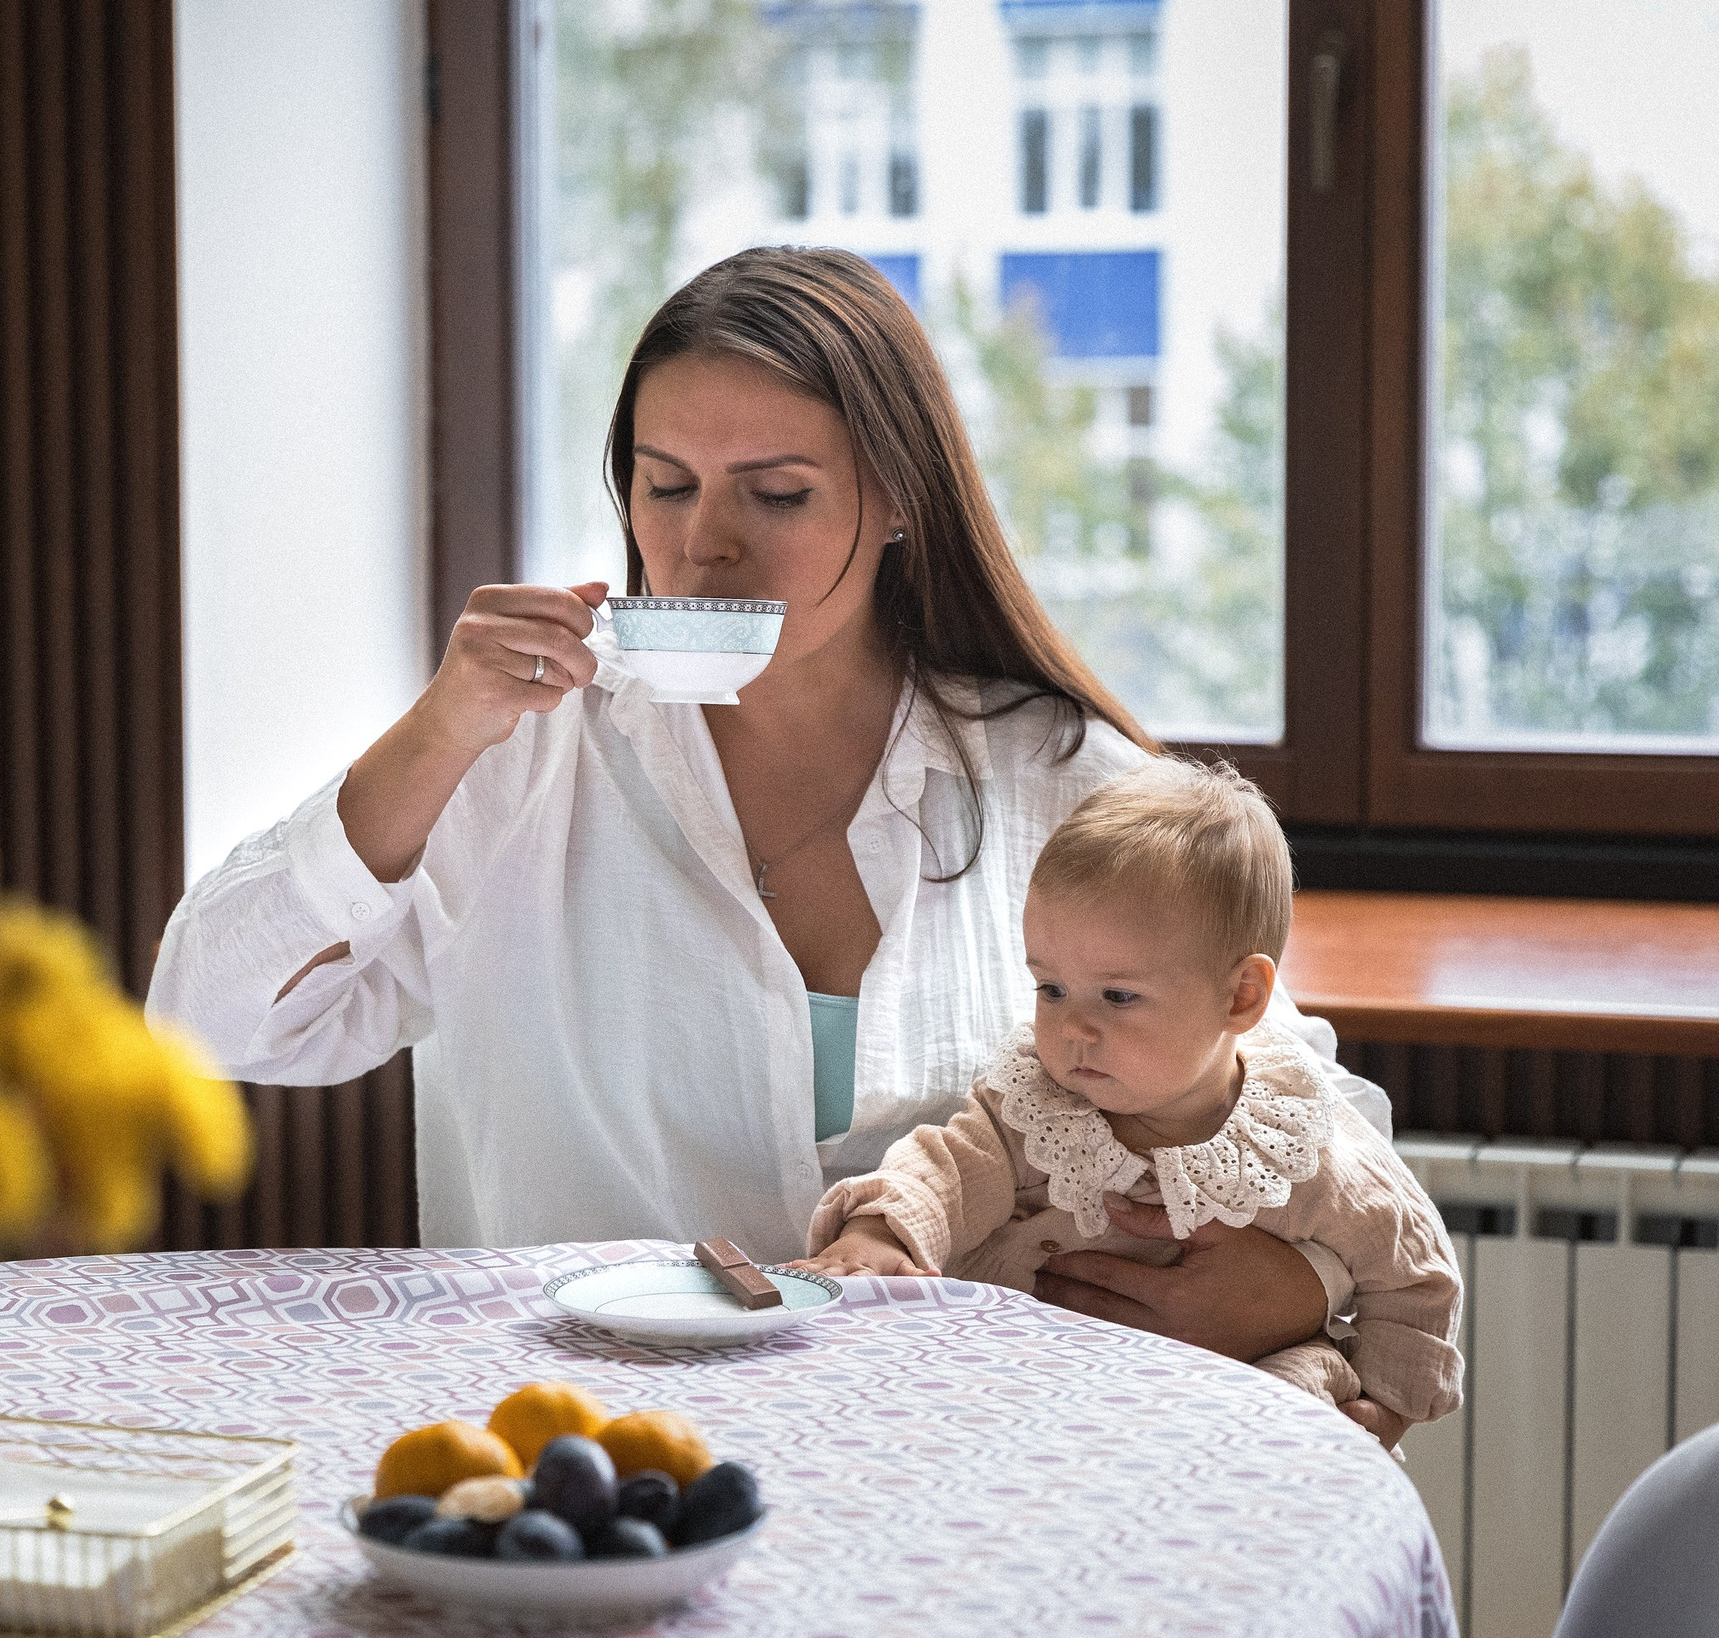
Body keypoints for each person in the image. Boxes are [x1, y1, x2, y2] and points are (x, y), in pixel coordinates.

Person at [148, 246, 1387, 1364]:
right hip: (593, 1447)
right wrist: (438, 731)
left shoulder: (1063, 784)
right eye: (664, 487)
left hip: (970, 1454)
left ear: (900, 501)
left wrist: (1305, 1285)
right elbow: (213, 1024)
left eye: (776, 493)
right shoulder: (515, 758)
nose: (702, 548)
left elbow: (1308, 1114)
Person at [791, 761, 1461, 1450]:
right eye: (1051, 988)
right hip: (1037, 1395)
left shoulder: (1296, 1136)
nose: (1072, 1028)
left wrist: (1392, 1404)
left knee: (1296, 1397)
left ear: (1241, 998)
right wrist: (879, 1231)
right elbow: (948, 1168)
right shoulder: (1036, 1101)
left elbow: (1417, 1270)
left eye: (1117, 996)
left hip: (1226, 1401)